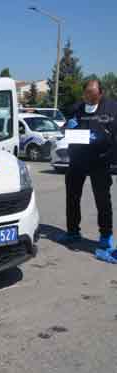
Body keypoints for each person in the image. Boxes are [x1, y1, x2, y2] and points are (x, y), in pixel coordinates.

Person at [59, 79, 117, 249]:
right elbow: (64, 129)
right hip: (77, 159)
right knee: (72, 196)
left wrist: (106, 139)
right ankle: (73, 232)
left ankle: (105, 236)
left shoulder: (112, 108)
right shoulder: (76, 108)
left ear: (101, 93)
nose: (88, 98)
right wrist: (67, 127)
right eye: (86, 93)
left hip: (100, 160)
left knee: (102, 199)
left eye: (92, 94)